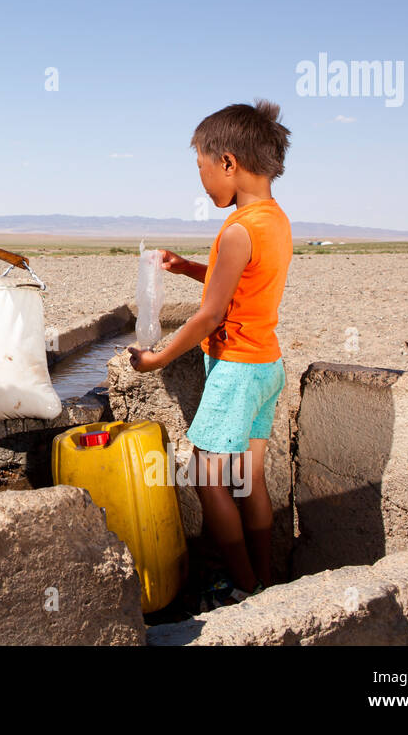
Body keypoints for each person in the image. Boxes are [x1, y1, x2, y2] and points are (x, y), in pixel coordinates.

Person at [127, 100, 292, 612]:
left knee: (205, 473)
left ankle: (242, 587)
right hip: (267, 364)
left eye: (200, 169)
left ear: (227, 162)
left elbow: (210, 316)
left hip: (237, 367)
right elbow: (241, 282)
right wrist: (188, 268)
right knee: (251, 476)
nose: (202, 183)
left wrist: (155, 360)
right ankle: (264, 579)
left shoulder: (239, 229)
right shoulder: (273, 220)